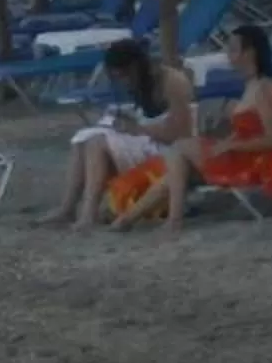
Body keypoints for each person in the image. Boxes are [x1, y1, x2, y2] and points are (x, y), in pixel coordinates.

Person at [112, 20, 272, 229]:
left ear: (250, 53)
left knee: (179, 148)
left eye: (233, 49)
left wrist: (231, 145)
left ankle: (172, 220)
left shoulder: (264, 88)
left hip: (255, 162)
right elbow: (252, 129)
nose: (227, 54)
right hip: (243, 154)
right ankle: (128, 219)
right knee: (178, 169)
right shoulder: (253, 84)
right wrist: (229, 141)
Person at [52, 36, 195, 227]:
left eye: (123, 76)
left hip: (168, 152)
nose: (123, 83)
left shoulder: (172, 82)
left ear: (135, 68)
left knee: (96, 142)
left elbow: (181, 135)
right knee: (83, 140)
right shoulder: (142, 83)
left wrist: (137, 129)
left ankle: (88, 214)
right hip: (149, 142)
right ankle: (67, 209)